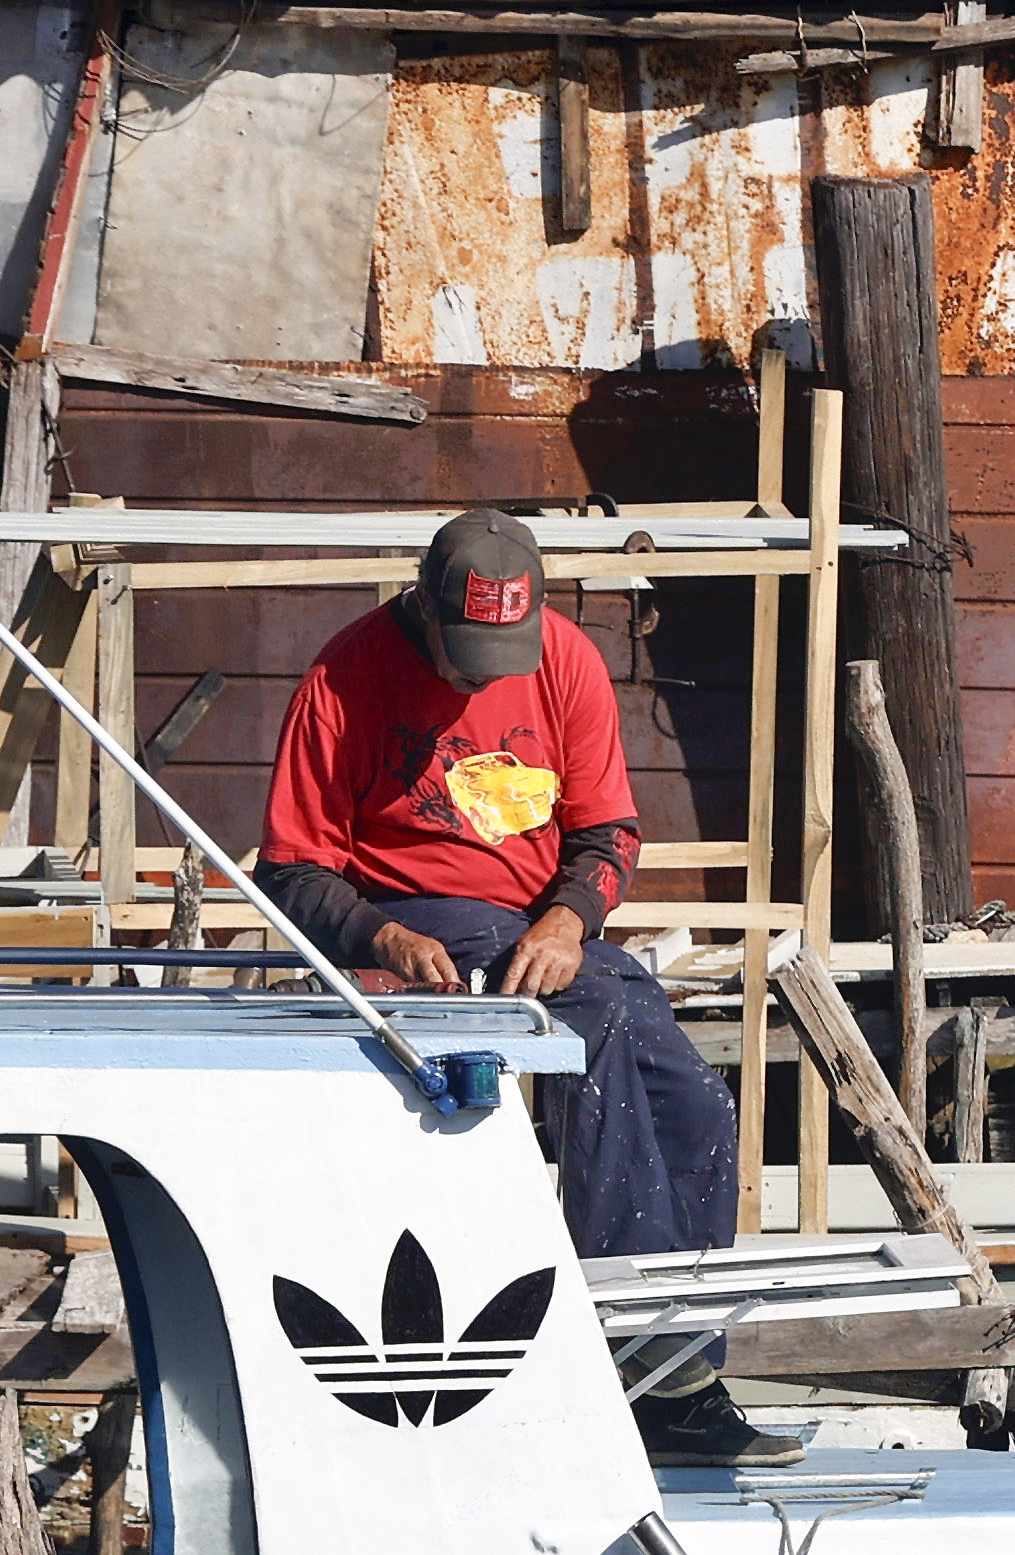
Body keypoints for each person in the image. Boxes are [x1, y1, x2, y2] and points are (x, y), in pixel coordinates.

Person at [256, 507, 787, 1456]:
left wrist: (570, 916)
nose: (483, 672)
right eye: (466, 654)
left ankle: (682, 1369)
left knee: (695, 1098)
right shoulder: (342, 677)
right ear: (422, 608)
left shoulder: (568, 659)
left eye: (504, 650)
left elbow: (607, 834)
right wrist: (378, 932)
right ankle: (634, 1353)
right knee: (598, 1018)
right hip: (413, 911)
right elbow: (292, 873)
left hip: (534, 918)